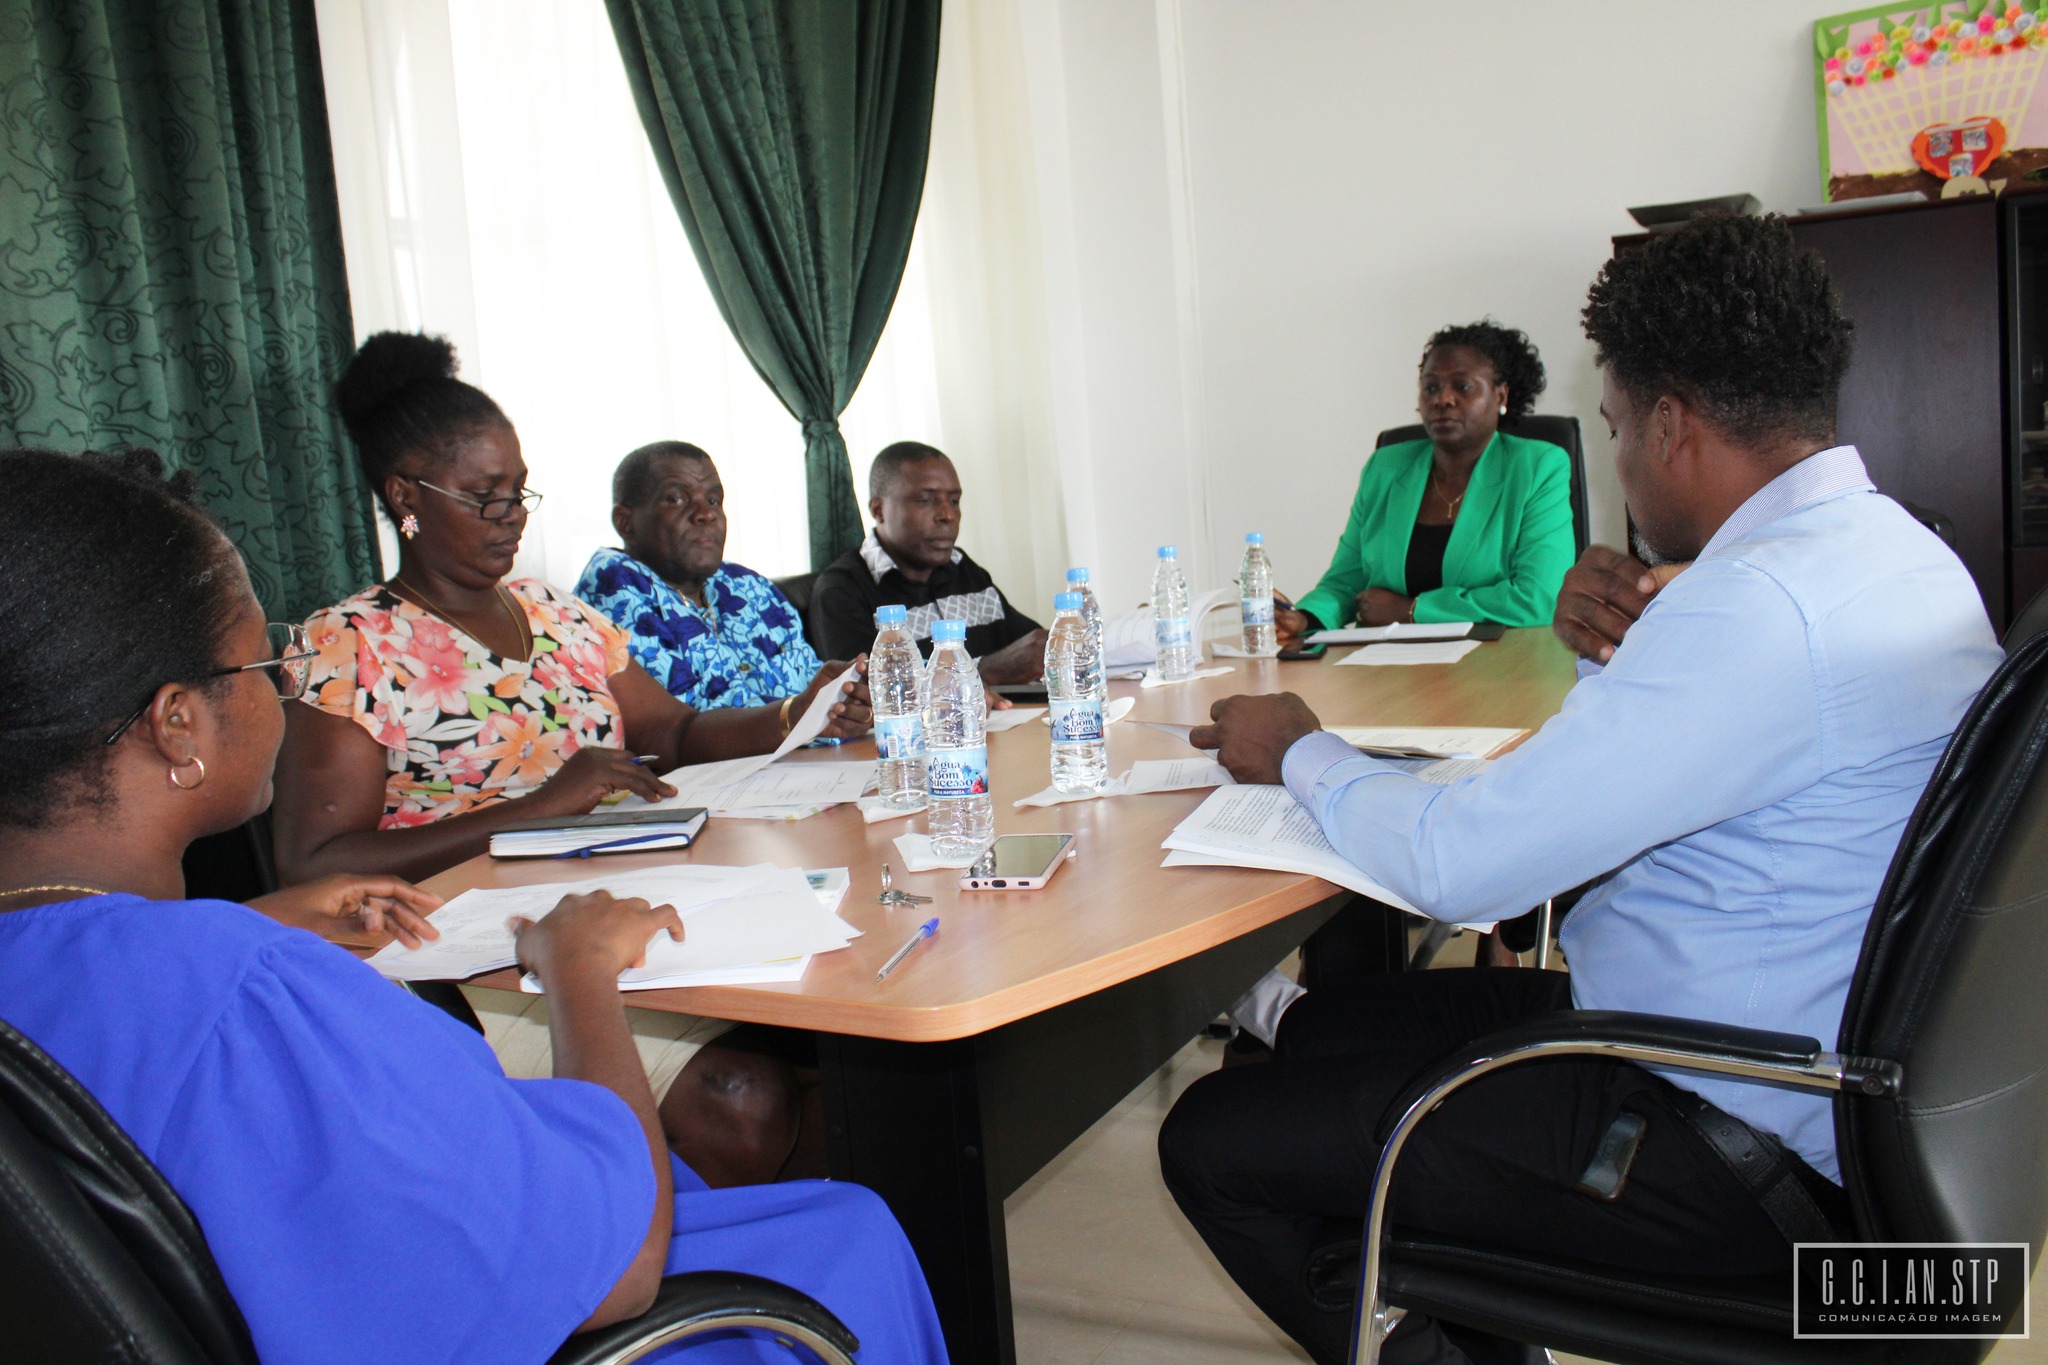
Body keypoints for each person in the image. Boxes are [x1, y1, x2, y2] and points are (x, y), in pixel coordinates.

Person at [1161, 215, 2002, 1365]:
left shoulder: (1751, 607)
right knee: (1319, 1037)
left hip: (1730, 1131)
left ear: (1669, 424)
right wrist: (1618, 653)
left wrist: (1297, 747)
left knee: (1211, 1136)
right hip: (1812, 1068)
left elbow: (1461, 871)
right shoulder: (1893, 552)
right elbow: (1714, 752)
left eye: (1612, 429)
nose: (1614, 461)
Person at [0, 448, 947, 1364]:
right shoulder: (256, 996)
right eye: (261, 667)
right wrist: (579, 972)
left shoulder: (120, 954)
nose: (289, 687)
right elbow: (618, 1269)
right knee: (847, 1229)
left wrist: (255, 917)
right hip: (536, 1295)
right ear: (177, 725)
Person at [270, 332, 866, 1183]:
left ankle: (806, 1249)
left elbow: (678, 733)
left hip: (631, 889)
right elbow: (313, 863)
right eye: (484, 497)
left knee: (839, 1009)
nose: (511, 516)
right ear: (405, 496)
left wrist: (792, 710)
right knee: (744, 1101)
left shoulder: (553, 611)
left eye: (518, 494)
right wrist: (539, 806)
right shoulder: (349, 645)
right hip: (482, 954)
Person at [1274, 321, 1575, 643]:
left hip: (1501, 663)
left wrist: (1413, 610)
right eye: (1430, 387)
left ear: (1501, 394)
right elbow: (1347, 581)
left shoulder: (1538, 467)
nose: (1443, 399)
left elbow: (1539, 598)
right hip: (1388, 665)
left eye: (1462, 386)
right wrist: (1304, 618)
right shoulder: (1386, 468)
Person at [578, 441, 865, 721]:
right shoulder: (613, 589)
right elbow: (687, 727)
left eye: (714, 500)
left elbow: (810, 678)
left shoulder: (747, 586)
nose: (706, 514)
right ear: (625, 522)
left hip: (811, 762)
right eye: (676, 499)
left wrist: (847, 698)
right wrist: (805, 713)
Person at [808, 441, 1047, 682]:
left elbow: (1026, 649)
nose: (948, 515)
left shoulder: (963, 568)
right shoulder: (841, 590)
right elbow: (864, 693)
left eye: (954, 501)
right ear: (878, 510)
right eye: (925, 500)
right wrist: (984, 671)